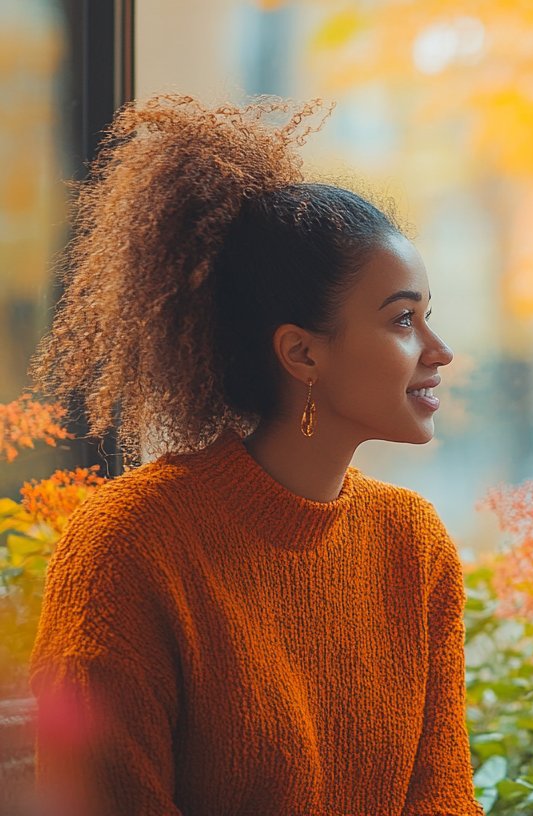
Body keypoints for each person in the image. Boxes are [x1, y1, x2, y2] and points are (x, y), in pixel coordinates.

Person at [27, 95, 481, 815]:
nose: (438, 351)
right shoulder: (131, 544)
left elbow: (443, 799)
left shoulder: (413, 545)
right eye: (402, 319)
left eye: (430, 317)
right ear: (302, 352)